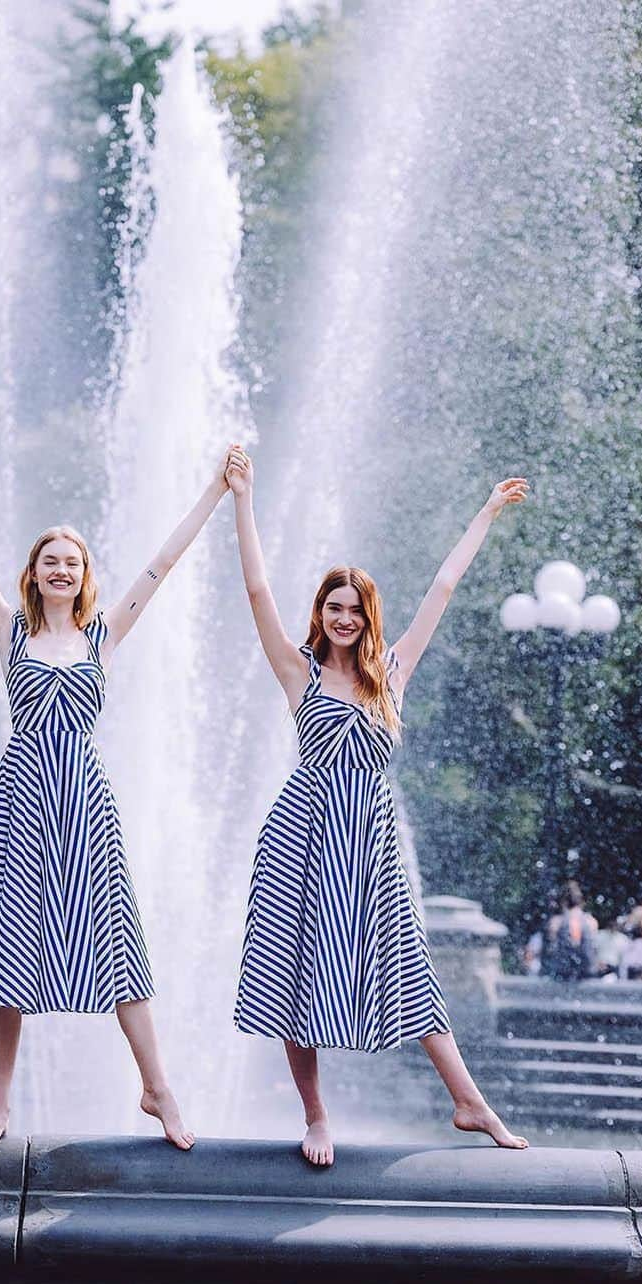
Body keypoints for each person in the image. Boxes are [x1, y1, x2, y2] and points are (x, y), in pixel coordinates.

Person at [0, 414, 230, 1159]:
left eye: (72, 560)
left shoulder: (103, 635)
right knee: (10, 944)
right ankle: (0, 1105)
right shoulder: (10, 631)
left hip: (85, 799)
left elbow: (163, 564)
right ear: (34, 571)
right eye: (50, 559)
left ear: (85, 573)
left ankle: (157, 1086)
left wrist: (213, 489)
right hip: (20, 800)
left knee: (116, 939)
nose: (61, 569)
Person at [225, 444, 529, 1166]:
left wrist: (485, 511)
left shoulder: (392, 675)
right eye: (333, 607)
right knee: (297, 971)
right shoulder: (297, 672)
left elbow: (445, 586)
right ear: (320, 613)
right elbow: (259, 590)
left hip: (371, 838)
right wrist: (244, 498)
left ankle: (467, 1099)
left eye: (354, 609)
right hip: (301, 835)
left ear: (369, 618)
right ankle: (317, 1115)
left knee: (406, 961)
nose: (343, 618)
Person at [542, 880, 600, 982]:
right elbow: (593, 947)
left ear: (563, 902)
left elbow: (551, 948)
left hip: (562, 970)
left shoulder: (556, 922)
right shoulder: (591, 921)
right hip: (586, 970)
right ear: (583, 902)